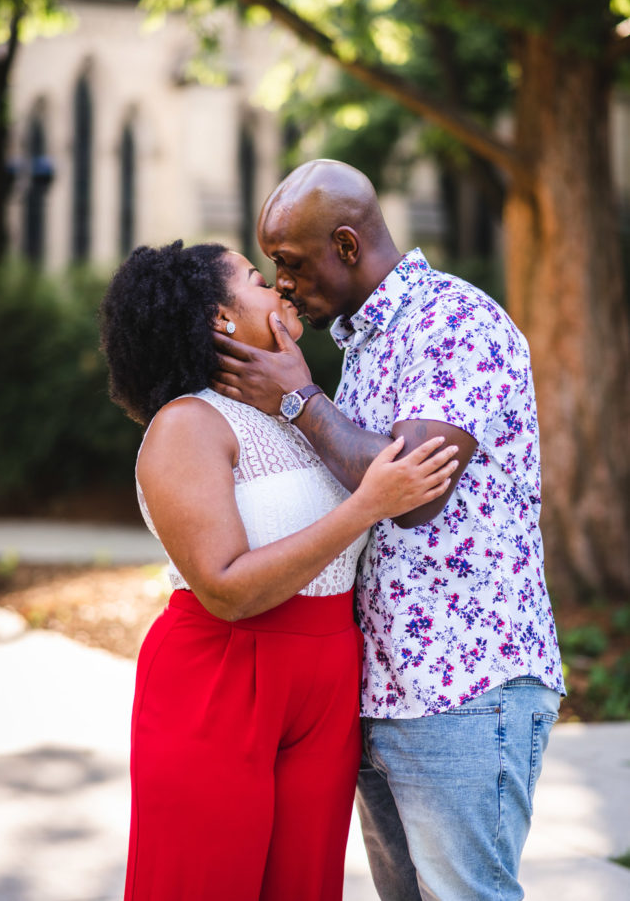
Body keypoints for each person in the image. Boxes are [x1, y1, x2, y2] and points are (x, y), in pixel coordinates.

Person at [212, 159, 566, 901]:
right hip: (385, 691)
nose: (281, 283)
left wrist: (299, 397)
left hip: (464, 688)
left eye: (291, 263)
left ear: (347, 244)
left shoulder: (454, 321)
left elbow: (412, 493)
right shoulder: (366, 343)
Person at [98, 239, 459, 901]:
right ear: (219, 319)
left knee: (305, 886)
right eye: (257, 279)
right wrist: (366, 507)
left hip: (325, 680)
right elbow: (227, 588)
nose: (280, 289)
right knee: (206, 884)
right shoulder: (187, 425)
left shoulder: (296, 413)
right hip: (223, 676)